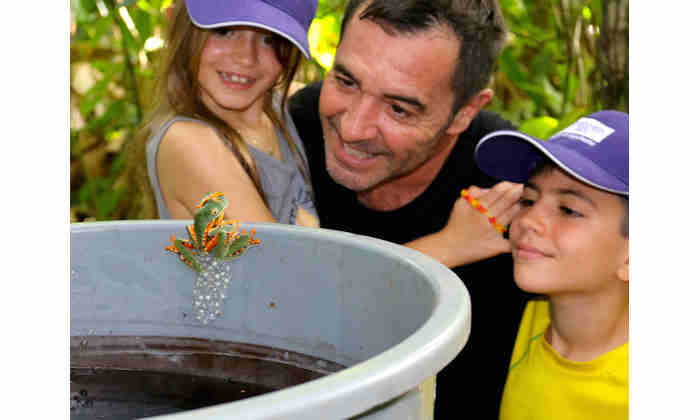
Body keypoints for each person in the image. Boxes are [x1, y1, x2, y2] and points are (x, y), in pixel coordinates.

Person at [289, 0, 529, 417]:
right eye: (346, 81)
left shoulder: (509, 190)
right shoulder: (298, 129)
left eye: (399, 108)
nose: (353, 129)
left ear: (465, 113)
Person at [473, 110, 629, 419]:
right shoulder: (522, 315)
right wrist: (451, 244)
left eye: (569, 210)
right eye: (528, 200)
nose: (528, 220)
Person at [127, 0, 320, 227]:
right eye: (224, 31)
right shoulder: (189, 142)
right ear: (180, 27)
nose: (246, 57)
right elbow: (276, 258)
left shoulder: (276, 110)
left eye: (271, 39)